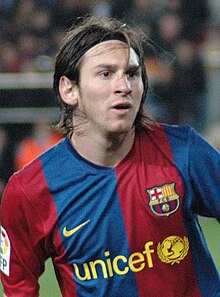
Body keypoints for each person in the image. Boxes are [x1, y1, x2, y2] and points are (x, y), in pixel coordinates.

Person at [0, 16, 219, 297]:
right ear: (69, 89)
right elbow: (19, 288)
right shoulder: (30, 191)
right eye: (106, 73)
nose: (124, 86)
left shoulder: (183, 151)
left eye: (131, 73)